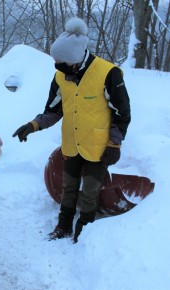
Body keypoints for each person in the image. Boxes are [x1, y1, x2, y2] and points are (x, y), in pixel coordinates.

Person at [12, 17, 131, 243]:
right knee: (69, 188)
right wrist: (33, 125)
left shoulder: (108, 73)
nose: (57, 67)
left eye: (61, 62)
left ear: (75, 60)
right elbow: (54, 111)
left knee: (89, 192)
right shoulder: (60, 76)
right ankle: (64, 225)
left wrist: (114, 143)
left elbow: (122, 112)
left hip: (98, 147)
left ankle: (84, 231)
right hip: (71, 144)